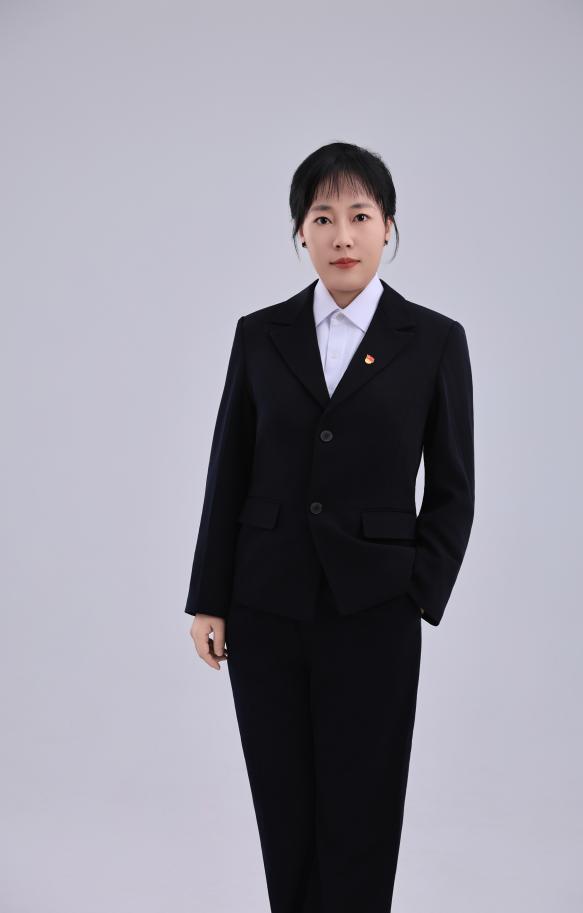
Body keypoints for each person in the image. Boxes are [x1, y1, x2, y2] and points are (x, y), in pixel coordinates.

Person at [184, 141, 475, 913]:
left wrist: (416, 591)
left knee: (362, 810)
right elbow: (228, 468)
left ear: (388, 228)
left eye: (359, 216)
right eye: (322, 218)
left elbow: (453, 487)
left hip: (374, 608)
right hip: (264, 603)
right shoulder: (260, 334)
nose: (341, 236)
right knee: (284, 811)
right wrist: (209, 597)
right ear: (300, 233)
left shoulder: (432, 339)